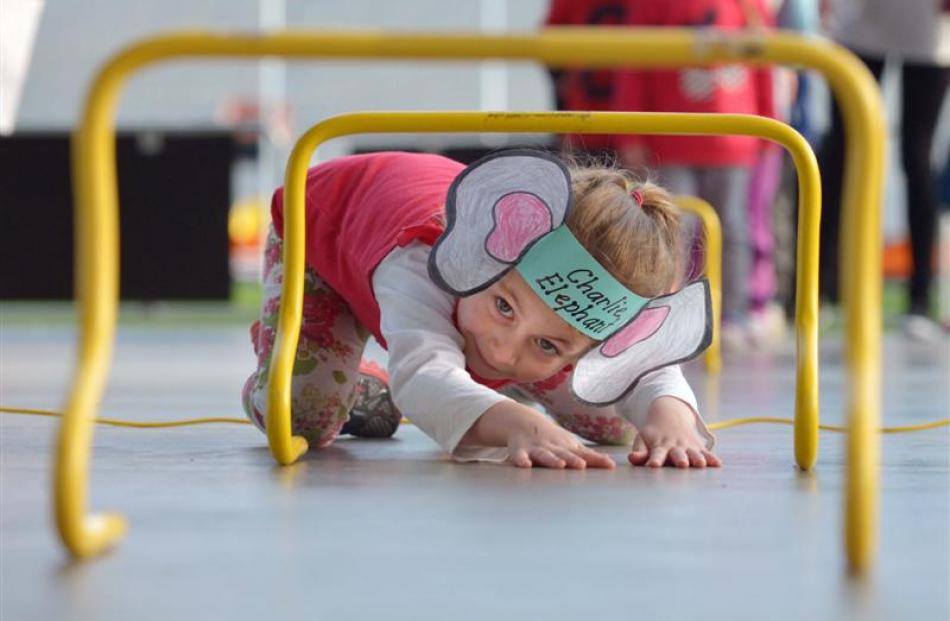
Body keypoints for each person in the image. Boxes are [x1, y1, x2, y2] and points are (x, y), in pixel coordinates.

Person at [242, 150, 721, 469]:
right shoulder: (423, 262)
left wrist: (671, 416)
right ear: (485, 252)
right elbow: (424, 375)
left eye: (549, 343)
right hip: (321, 237)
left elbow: (641, 365)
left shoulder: (522, 302)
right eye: (504, 307)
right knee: (301, 416)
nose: (502, 349)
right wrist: (516, 421)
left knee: (613, 426)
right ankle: (295, 361)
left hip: (437, 270)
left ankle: (492, 348)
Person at [613, 0, 778, 351]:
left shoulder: (748, 5)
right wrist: (630, 132)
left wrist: (768, 121)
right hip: (672, 137)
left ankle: (733, 313)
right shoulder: (653, 7)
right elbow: (632, 62)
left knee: (733, 226)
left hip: (733, 136)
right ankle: (668, 314)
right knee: (674, 229)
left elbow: (765, 60)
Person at [818, 0, 949, 339]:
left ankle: (919, 299)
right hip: (859, 20)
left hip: (930, 28)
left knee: (917, 157)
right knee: (842, 153)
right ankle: (819, 292)